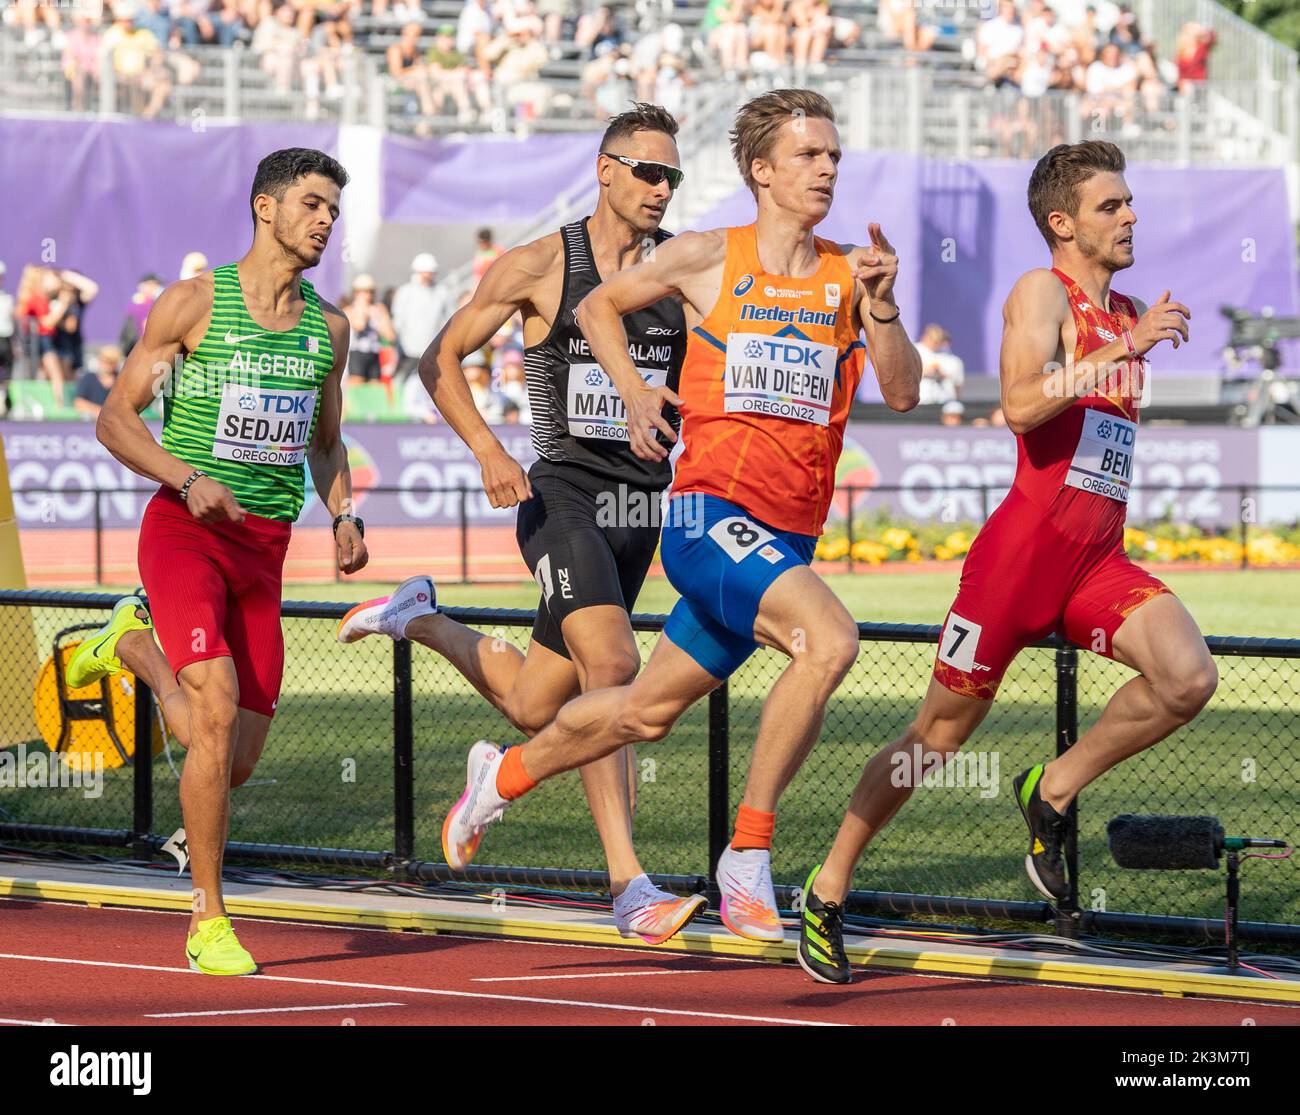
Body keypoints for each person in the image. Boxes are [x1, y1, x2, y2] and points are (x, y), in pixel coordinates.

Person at [438, 88, 921, 943]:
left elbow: (905, 389)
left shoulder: (851, 270)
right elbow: (594, 307)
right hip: (707, 520)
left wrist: (881, 307)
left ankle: (500, 777)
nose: (828, 170)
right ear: (761, 172)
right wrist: (631, 389)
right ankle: (749, 852)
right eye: (810, 156)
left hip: (786, 537)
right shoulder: (705, 257)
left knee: (639, 710)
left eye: (835, 157)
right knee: (830, 640)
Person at [798, 140, 1215, 984]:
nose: (1131, 215)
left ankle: (1050, 788)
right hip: (1016, 566)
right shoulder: (1041, 292)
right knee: (937, 738)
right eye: (1111, 205)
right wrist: (1122, 347)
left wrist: (1124, 341)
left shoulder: (1127, 307)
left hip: (1099, 560)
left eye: (1131, 202)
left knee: (1188, 676)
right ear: (1062, 224)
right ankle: (827, 886)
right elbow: (1021, 406)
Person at [338, 104, 708, 946]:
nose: (661, 188)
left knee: (534, 699)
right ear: (606, 169)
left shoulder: (678, 272)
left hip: (638, 509)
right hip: (563, 495)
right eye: (648, 171)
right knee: (612, 666)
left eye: (673, 176)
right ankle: (629, 884)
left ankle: (419, 618)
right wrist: (487, 451)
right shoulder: (542, 264)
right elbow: (435, 357)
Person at [71, 148, 368, 977]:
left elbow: (327, 438)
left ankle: (133, 645)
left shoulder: (329, 329)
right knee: (215, 704)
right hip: (185, 534)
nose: (324, 222)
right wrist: (188, 477)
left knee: (231, 755)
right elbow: (117, 420)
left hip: (263, 550)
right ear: (265, 208)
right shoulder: (194, 305)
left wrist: (344, 513)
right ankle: (209, 916)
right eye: (312, 204)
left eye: (334, 212)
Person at [391, 252, 451, 380]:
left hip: (433, 349)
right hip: (408, 351)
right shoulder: (405, 292)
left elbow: (448, 318)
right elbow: (398, 320)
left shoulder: (442, 292)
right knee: (405, 383)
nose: (429, 275)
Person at [343, 273, 396, 385]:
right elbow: (359, 326)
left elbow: (390, 336)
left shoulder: (379, 309)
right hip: (356, 354)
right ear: (356, 293)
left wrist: (379, 319)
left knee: (374, 389)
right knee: (355, 389)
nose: (367, 295)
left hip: (374, 353)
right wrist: (363, 311)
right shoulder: (349, 310)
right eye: (363, 291)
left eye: (370, 292)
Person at [73, 345, 122, 420]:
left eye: (111, 361)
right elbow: (79, 402)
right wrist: (99, 411)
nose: (108, 364)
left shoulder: (121, 380)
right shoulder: (88, 378)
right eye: (105, 360)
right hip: (91, 422)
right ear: (100, 360)